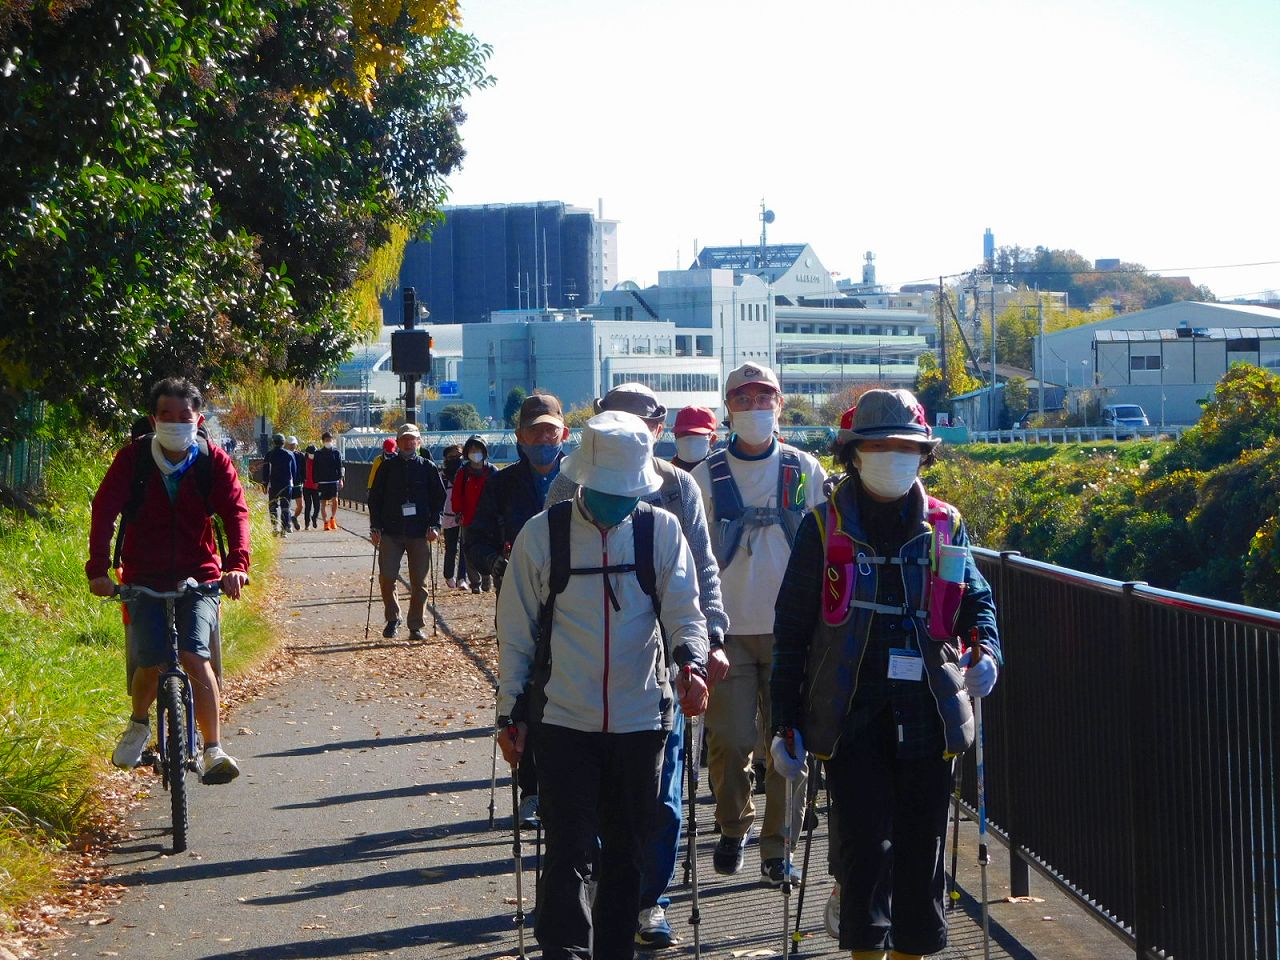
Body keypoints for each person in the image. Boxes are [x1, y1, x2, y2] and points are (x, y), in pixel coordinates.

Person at [771, 388, 1001, 960]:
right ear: (853, 452)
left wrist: (987, 651)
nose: (893, 456)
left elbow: (977, 602)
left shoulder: (946, 524)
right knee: (863, 849)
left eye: (907, 446)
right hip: (851, 712)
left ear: (925, 454)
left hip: (930, 707)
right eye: (880, 445)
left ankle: (912, 951)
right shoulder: (822, 528)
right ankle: (865, 951)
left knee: (923, 850)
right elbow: (792, 629)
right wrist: (784, 721)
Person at [496, 410, 710, 960]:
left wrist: (693, 665)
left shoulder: (660, 530)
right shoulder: (542, 535)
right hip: (564, 720)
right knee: (567, 849)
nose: (618, 499)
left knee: (627, 853)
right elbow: (516, 634)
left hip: (642, 720)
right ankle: (564, 951)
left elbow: (687, 614)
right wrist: (509, 714)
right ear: (585, 478)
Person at [546, 383, 729, 949]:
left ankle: (649, 900)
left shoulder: (677, 488)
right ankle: (607, 893)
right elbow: (549, 575)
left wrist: (709, 641)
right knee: (592, 809)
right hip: (580, 676)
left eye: (639, 420)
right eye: (611, 418)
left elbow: (701, 569)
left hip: (659, 671)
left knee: (663, 800)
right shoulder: (567, 484)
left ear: (658, 425)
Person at [689, 361, 828, 886]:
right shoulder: (705, 475)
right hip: (726, 631)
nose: (754, 407)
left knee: (787, 743)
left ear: (780, 403)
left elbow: (825, 546)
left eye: (763, 397)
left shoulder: (804, 469)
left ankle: (778, 846)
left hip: (793, 631)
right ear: (728, 408)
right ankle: (732, 826)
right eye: (743, 399)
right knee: (727, 740)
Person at [86, 377, 251, 783]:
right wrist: (98, 569)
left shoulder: (213, 460)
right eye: (166, 416)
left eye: (184, 416)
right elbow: (104, 511)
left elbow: (236, 513)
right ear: (153, 419)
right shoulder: (133, 460)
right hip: (143, 575)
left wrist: (237, 565)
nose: (175, 423)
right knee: (152, 658)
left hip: (201, 575)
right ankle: (139, 724)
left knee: (195, 657)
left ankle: (213, 749)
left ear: (198, 419)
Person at [467, 392, 570, 825]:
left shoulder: (583, 478)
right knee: (525, 690)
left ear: (564, 432)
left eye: (551, 429)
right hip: (520, 602)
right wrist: (497, 564)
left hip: (575, 603)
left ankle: (569, 786)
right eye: (535, 431)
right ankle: (531, 789)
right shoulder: (502, 484)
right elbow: (475, 542)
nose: (545, 438)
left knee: (568, 691)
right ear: (519, 437)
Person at [367, 423, 446, 642]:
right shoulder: (386, 467)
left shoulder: (428, 467)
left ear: (419, 442)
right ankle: (393, 618)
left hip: (420, 532)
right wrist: (375, 527)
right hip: (390, 531)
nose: (409, 443)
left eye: (413, 439)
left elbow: (439, 499)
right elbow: (374, 498)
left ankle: (415, 625)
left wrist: (435, 525)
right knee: (387, 577)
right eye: (405, 439)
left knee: (419, 583)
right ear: (398, 442)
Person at [452, 435, 497, 593]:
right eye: (471, 449)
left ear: (484, 451)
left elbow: (500, 494)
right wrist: (458, 512)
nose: (474, 452)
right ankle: (475, 583)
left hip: (489, 520)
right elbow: (456, 494)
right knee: (469, 551)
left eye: (477, 449)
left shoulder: (492, 471)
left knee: (489, 549)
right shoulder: (463, 472)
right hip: (468, 518)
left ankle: (487, 578)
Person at [439, 444, 468, 589]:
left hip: (464, 515)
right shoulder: (442, 477)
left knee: (464, 547)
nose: (456, 460)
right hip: (448, 516)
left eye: (459, 456)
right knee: (451, 547)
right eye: (452, 457)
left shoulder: (466, 474)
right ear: (446, 459)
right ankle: (449, 575)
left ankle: (462, 578)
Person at [262, 432, 296, 537]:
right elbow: (294, 470)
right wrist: (294, 481)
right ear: (283, 442)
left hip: (274, 485)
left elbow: (266, 471)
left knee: (273, 506)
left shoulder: (269, 454)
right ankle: (284, 530)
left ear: (274, 442)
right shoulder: (290, 454)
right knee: (286, 507)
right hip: (287, 484)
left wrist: (265, 484)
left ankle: (274, 527)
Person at [670, 405, 719, 472]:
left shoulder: (724, 471)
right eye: (684, 433)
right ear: (675, 436)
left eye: (697, 433)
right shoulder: (664, 474)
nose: (689, 440)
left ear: (712, 439)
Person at [313, 430, 344, 530]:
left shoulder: (336, 452)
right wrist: (315, 481)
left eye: (330, 440)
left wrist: (341, 479)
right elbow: (315, 468)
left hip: (333, 480)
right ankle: (325, 522)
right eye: (326, 440)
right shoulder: (318, 453)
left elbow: (340, 466)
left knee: (335, 500)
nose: (328, 442)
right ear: (323, 441)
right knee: (323, 502)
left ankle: (332, 518)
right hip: (322, 482)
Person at [285, 435, 304, 531]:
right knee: (286, 505)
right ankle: (287, 523)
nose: (292, 446)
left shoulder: (300, 455)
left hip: (297, 483)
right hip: (287, 483)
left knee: (300, 506)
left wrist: (303, 479)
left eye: (293, 444)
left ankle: (294, 517)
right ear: (286, 444)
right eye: (290, 444)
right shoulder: (284, 455)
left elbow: (303, 469)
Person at [301, 444, 322, 530]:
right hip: (306, 486)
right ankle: (307, 524)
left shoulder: (318, 461)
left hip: (316, 486)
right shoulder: (304, 461)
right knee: (308, 506)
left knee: (317, 505)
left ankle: (314, 518)